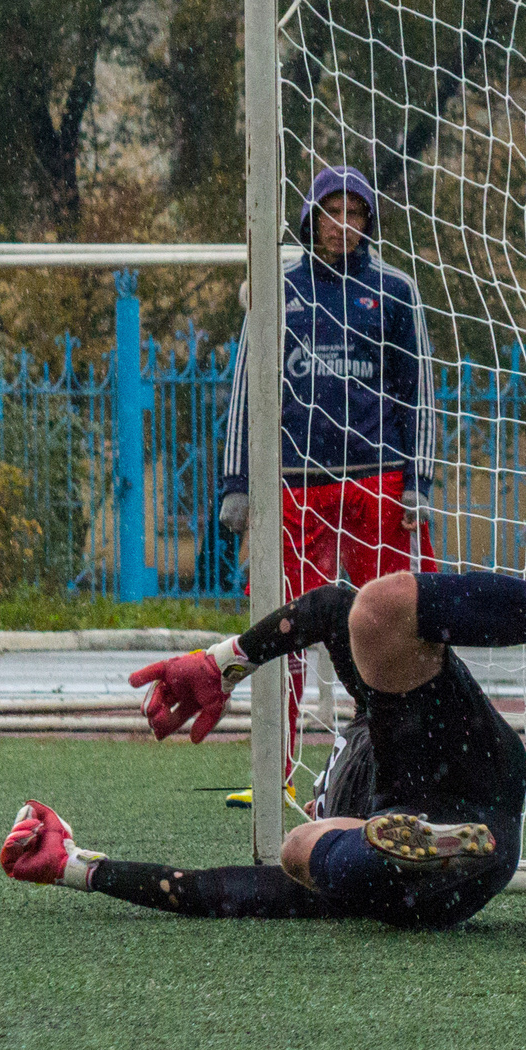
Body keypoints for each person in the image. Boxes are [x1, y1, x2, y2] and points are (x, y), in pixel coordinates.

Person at [0, 534, 526, 928]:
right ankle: (411, 848)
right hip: (414, 854)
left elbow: (330, 606)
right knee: (298, 849)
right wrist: (76, 867)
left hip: (446, 788)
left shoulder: (373, 727)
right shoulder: (327, 839)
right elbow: (213, 890)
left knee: (374, 611)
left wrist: (219, 665)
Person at [218, 164, 439, 809]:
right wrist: (238, 484)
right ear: (312, 219)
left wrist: (418, 482)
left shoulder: (396, 292)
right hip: (296, 484)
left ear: (370, 221)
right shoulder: (279, 292)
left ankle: (398, 765)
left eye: (356, 212)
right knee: (280, 626)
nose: (344, 223)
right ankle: (275, 768)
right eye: (331, 211)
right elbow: (246, 390)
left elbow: (419, 391)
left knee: (398, 629)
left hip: (379, 486)